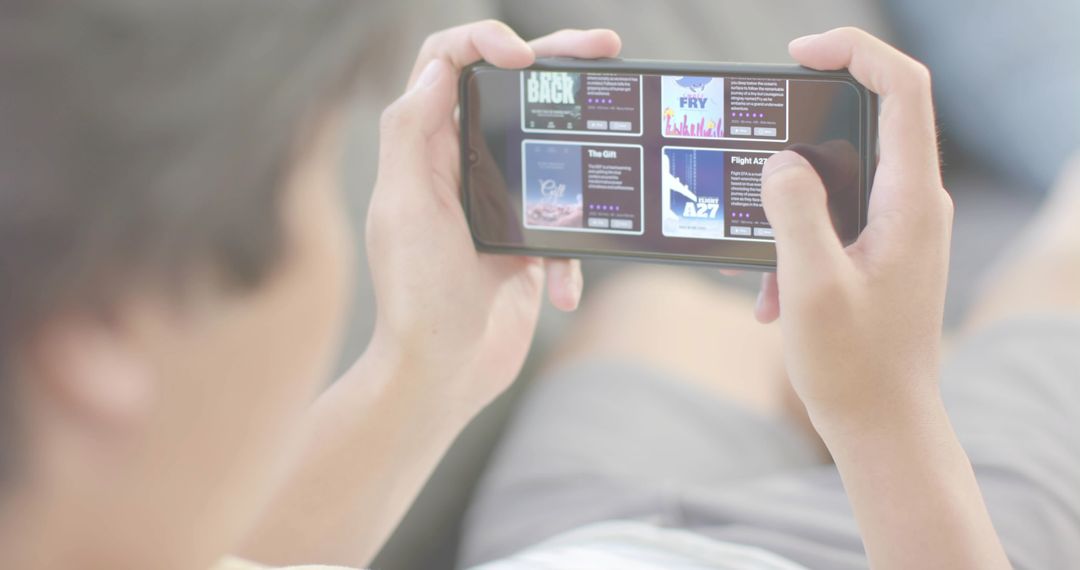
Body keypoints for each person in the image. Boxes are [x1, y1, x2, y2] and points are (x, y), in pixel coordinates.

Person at [0, 3, 1058, 570]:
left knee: (669, 304)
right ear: (98, 340)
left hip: (575, 534)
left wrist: (428, 363)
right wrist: (888, 422)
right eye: (300, 193)